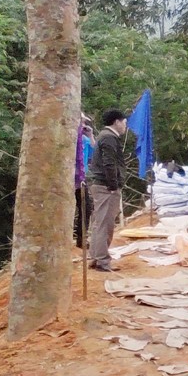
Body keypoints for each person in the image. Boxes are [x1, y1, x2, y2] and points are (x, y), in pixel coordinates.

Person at [86, 109, 128, 272]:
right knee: (106, 223)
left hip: (101, 184)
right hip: (106, 186)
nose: (125, 126)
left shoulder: (104, 136)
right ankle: (102, 260)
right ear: (116, 122)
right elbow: (109, 163)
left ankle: (96, 257)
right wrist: (113, 185)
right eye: (124, 122)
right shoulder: (109, 138)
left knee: (100, 222)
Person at [74, 121, 95, 246]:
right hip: (70, 177)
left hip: (81, 177)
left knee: (86, 206)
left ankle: (81, 238)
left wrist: (91, 135)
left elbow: (96, 150)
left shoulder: (85, 140)